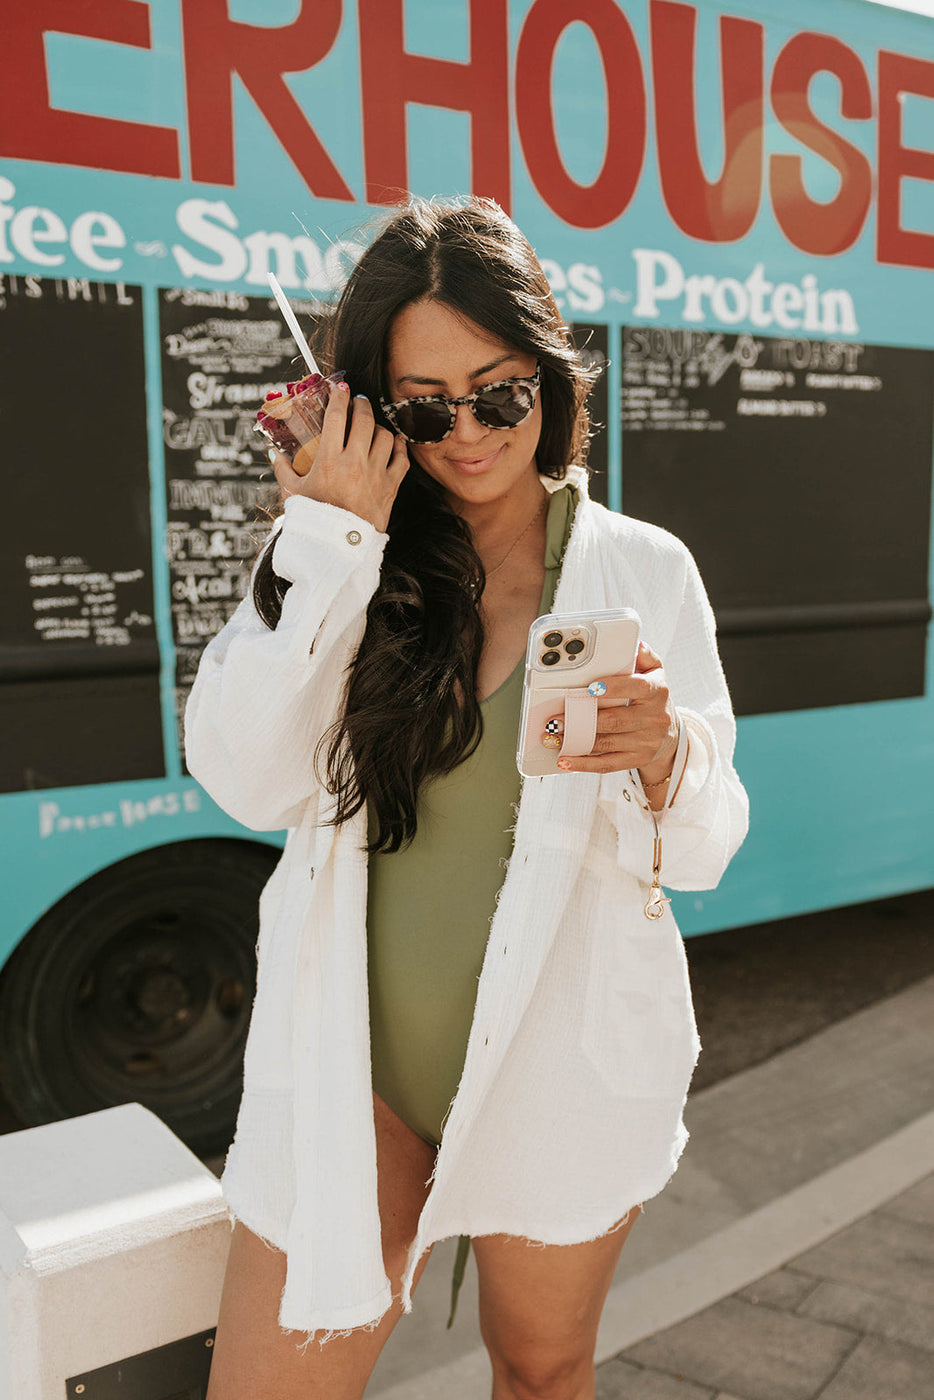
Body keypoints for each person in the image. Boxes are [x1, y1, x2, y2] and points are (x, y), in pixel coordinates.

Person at [186, 195, 749, 1400]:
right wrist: (329, 530)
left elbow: (704, 847)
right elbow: (242, 774)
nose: (469, 436)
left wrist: (666, 758)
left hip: (566, 1069)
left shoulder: (640, 568)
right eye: (424, 409)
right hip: (360, 1074)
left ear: (546, 370)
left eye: (499, 394)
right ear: (377, 414)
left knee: (542, 1372)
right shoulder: (346, 552)